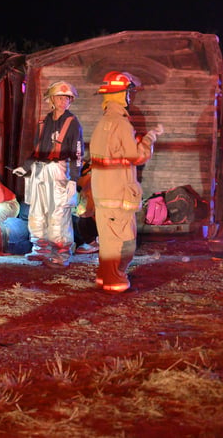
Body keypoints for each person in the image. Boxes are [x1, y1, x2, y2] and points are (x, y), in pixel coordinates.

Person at [89, 71, 163, 292]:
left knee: (108, 237)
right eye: (128, 92)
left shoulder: (103, 122)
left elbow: (117, 151)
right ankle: (115, 280)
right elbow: (137, 157)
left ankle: (104, 276)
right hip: (118, 192)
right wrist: (150, 138)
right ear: (121, 94)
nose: (130, 96)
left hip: (103, 192)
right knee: (123, 241)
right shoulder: (121, 124)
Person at [12, 81, 83, 268]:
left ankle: (61, 252)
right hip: (39, 169)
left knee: (59, 211)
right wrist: (26, 166)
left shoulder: (72, 123)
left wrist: (74, 179)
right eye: (60, 97)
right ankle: (40, 248)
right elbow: (37, 149)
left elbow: (77, 152)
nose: (63, 101)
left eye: (67, 98)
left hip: (59, 169)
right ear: (52, 99)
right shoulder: (44, 122)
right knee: (38, 210)